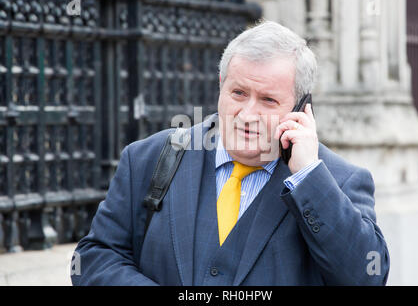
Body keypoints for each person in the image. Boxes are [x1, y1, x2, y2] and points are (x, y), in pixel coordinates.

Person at [71, 20, 390, 286]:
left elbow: (366, 277)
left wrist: (308, 176)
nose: (247, 113)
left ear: (300, 107)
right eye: (238, 93)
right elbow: (94, 258)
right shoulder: (147, 158)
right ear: (221, 85)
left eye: (268, 100)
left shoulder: (339, 181)